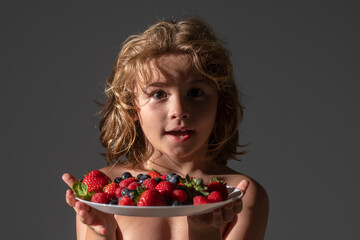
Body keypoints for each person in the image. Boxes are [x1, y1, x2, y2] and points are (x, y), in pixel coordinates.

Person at [63, 17, 269, 240]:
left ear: (220, 103)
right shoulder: (106, 189)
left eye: (196, 93)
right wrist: (100, 232)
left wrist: (205, 231)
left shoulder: (238, 194)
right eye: (158, 94)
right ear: (131, 107)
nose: (179, 110)